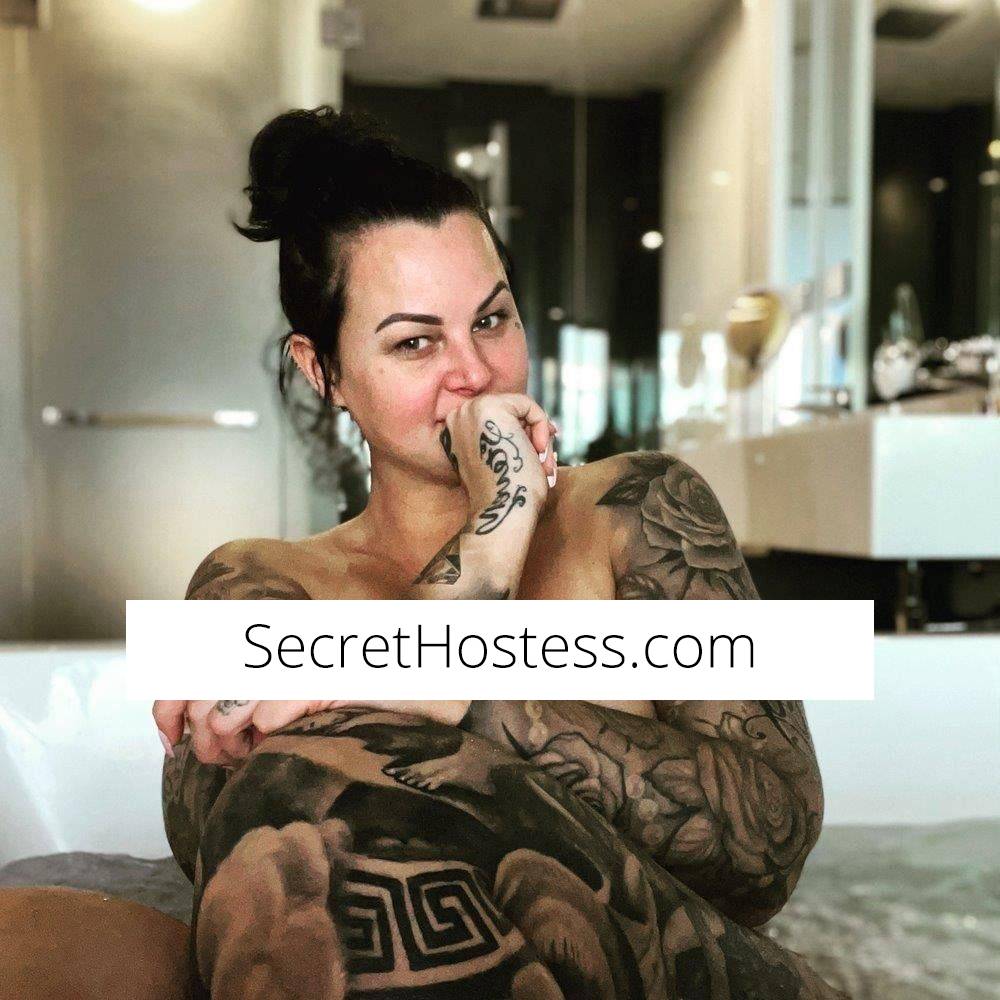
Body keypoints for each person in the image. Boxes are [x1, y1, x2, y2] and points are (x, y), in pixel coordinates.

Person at [154, 106, 843, 999]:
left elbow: (770, 851)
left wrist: (456, 666)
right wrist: (485, 550)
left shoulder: (637, 509)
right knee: (305, 814)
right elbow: (230, 851)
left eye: (492, 319)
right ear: (322, 370)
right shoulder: (260, 582)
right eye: (415, 342)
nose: (475, 373)